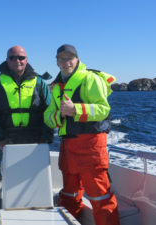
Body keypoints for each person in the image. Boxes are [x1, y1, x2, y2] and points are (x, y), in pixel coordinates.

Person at [44, 44, 120, 225]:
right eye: (61, 59)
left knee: (100, 197)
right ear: (57, 62)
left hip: (91, 146)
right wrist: (60, 114)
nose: (66, 62)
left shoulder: (91, 79)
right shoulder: (56, 88)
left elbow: (103, 110)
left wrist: (75, 109)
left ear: (77, 59)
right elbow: (48, 117)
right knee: (69, 195)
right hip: (68, 147)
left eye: (69, 58)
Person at [0, 45, 53, 174]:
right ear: (7, 60)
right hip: (5, 141)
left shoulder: (39, 82)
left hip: (36, 141)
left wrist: (45, 138)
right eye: (12, 58)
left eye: (21, 57)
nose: (17, 61)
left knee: (37, 179)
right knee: (7, 180)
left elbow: (50, 111)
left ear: (26, 59)